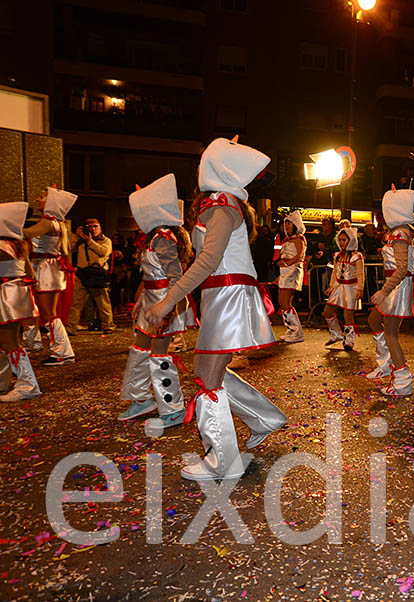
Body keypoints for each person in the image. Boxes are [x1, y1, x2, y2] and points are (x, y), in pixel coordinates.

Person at [144, 137, 287, 480]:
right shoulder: (225, 204)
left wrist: (167, 300)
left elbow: (208, 261)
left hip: (228, 295)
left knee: (208, 378)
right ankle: (263, 418)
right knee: (210, 372)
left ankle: (223, 461)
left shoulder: (220, 205)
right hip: (223, 295)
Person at [118, 174, 195, 429]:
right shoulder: (155, 237)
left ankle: (172, 408)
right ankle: (141, 399)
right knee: (140, 349)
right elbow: (151, 275)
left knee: (159, 356)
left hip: (163, 302)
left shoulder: (163, 238)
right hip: (152, 300)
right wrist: (141, 301)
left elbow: (176, 278)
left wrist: (167, 310)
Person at [365, 187, 414, 397]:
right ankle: (387, 364)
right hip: (396, 286)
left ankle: (403, 380)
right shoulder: (402, 231)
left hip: (397, 288)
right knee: (373, 320)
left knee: (391, 333)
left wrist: (384, 291)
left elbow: (402, 267)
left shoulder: (399, 233)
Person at [22, 187, 77, 365]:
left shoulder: (48, 222)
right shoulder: (56, 223)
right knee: (38, 310)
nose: (37, 199)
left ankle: (62, 352)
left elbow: (27, 233)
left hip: (46, 269)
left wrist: (7, 222)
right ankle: (33, 343)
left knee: (48, 314)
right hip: (48, 268)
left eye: (42, 197)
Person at [0, 202, 41, 401]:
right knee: (6, 341)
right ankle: (3, 381)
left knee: (10, 342)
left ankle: (28, 385)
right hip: (12, 294)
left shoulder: (3, 245)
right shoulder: (15, 243)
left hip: (8, 295)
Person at [68, 217, 115, 334]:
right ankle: (71, 327)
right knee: (76, 303)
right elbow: (69, 248)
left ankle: (108, 325)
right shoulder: (80, 241)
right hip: (82, 274)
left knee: (103, 303)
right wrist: (76, 236)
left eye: (95, 226)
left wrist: (89, 241)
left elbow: (103, 252)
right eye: (89, 227)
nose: (93, 229)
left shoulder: (106, 240)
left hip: (97, 274)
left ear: (100, 228)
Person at [324, 226, 365, 350]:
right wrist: (331, 286)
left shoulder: (356, 257)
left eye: (344, 240)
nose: (341, 243)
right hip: (338, 286)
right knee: (327, 312)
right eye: (340, 240)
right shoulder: (337, 255)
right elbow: (334, 272)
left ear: (351, 241)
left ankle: (349, 340)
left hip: (351, 288)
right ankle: (336, 334)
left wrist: (360, 289)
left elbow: (360, 274)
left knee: (348, 315)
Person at [277, 211, 306, 344]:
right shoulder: (286, 240)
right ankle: (291, 329)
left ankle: (297, 332)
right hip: (284, 271)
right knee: (281, 302)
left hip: (292, 271)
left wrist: (288, 263)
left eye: (289, 223)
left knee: (286, 302)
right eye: (286, 223)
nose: (287, 226)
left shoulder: (299, 238)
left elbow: (300, 255)